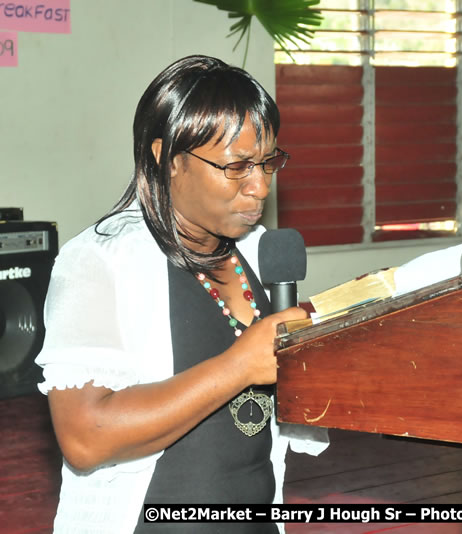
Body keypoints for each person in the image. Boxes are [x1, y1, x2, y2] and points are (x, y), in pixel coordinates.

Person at [35, 55, 328, 533]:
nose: (259, 188)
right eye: (237, 167)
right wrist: (240, 365)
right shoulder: (99, 261)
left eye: (268, 162)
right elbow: (84, 436)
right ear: (167, 158)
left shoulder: (258, 253)